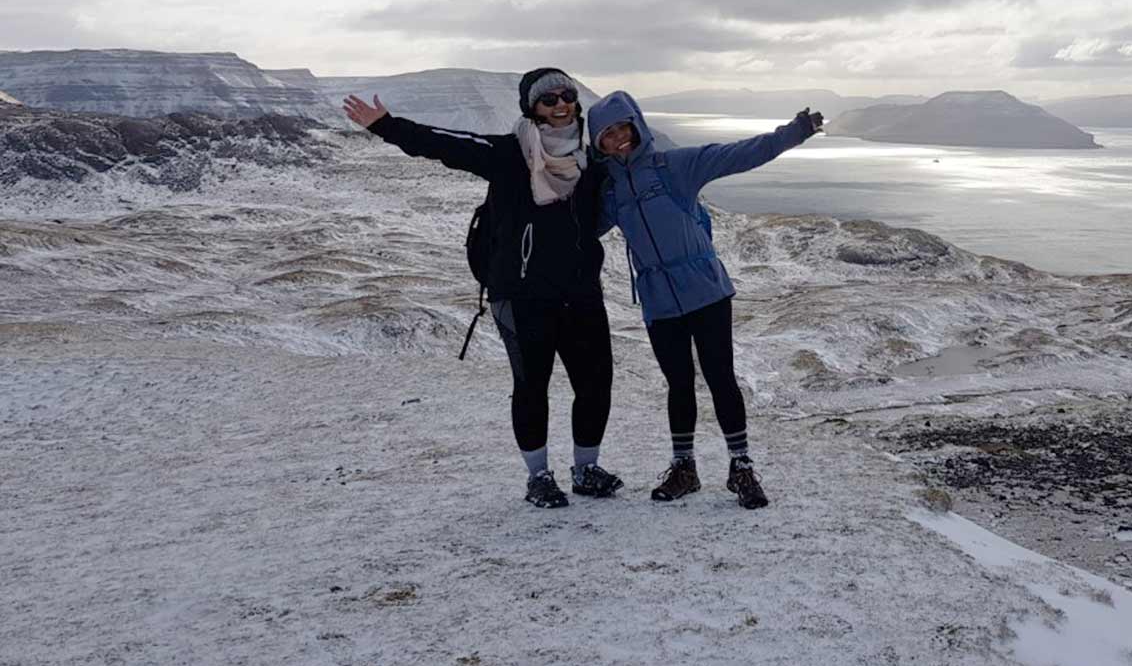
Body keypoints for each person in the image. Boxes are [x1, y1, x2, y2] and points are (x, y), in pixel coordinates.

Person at [343, 68, 622, 509]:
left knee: (596, 384)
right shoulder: (508, 154)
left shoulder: (591, 162)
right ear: (531, 107)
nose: (560, 104)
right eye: (548, 99)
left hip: (580, 293)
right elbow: (445, 145)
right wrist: (386, 125)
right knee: (531, 386)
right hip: (521, 295)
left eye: (567, 95)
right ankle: (539, 476)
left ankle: (586, 469)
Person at [585, 91, 822, 509]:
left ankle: (742, 468)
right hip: (658, 301)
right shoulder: (608, 190)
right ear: (596, 141)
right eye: (607, 134)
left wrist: (795, 132)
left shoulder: (674, 166)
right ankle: (684, 470)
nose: (617, 138)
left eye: (623, 128)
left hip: (707, 292)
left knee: (720, 379)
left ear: (636, 126)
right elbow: (578, 229)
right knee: (678, 385)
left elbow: (739, 154)